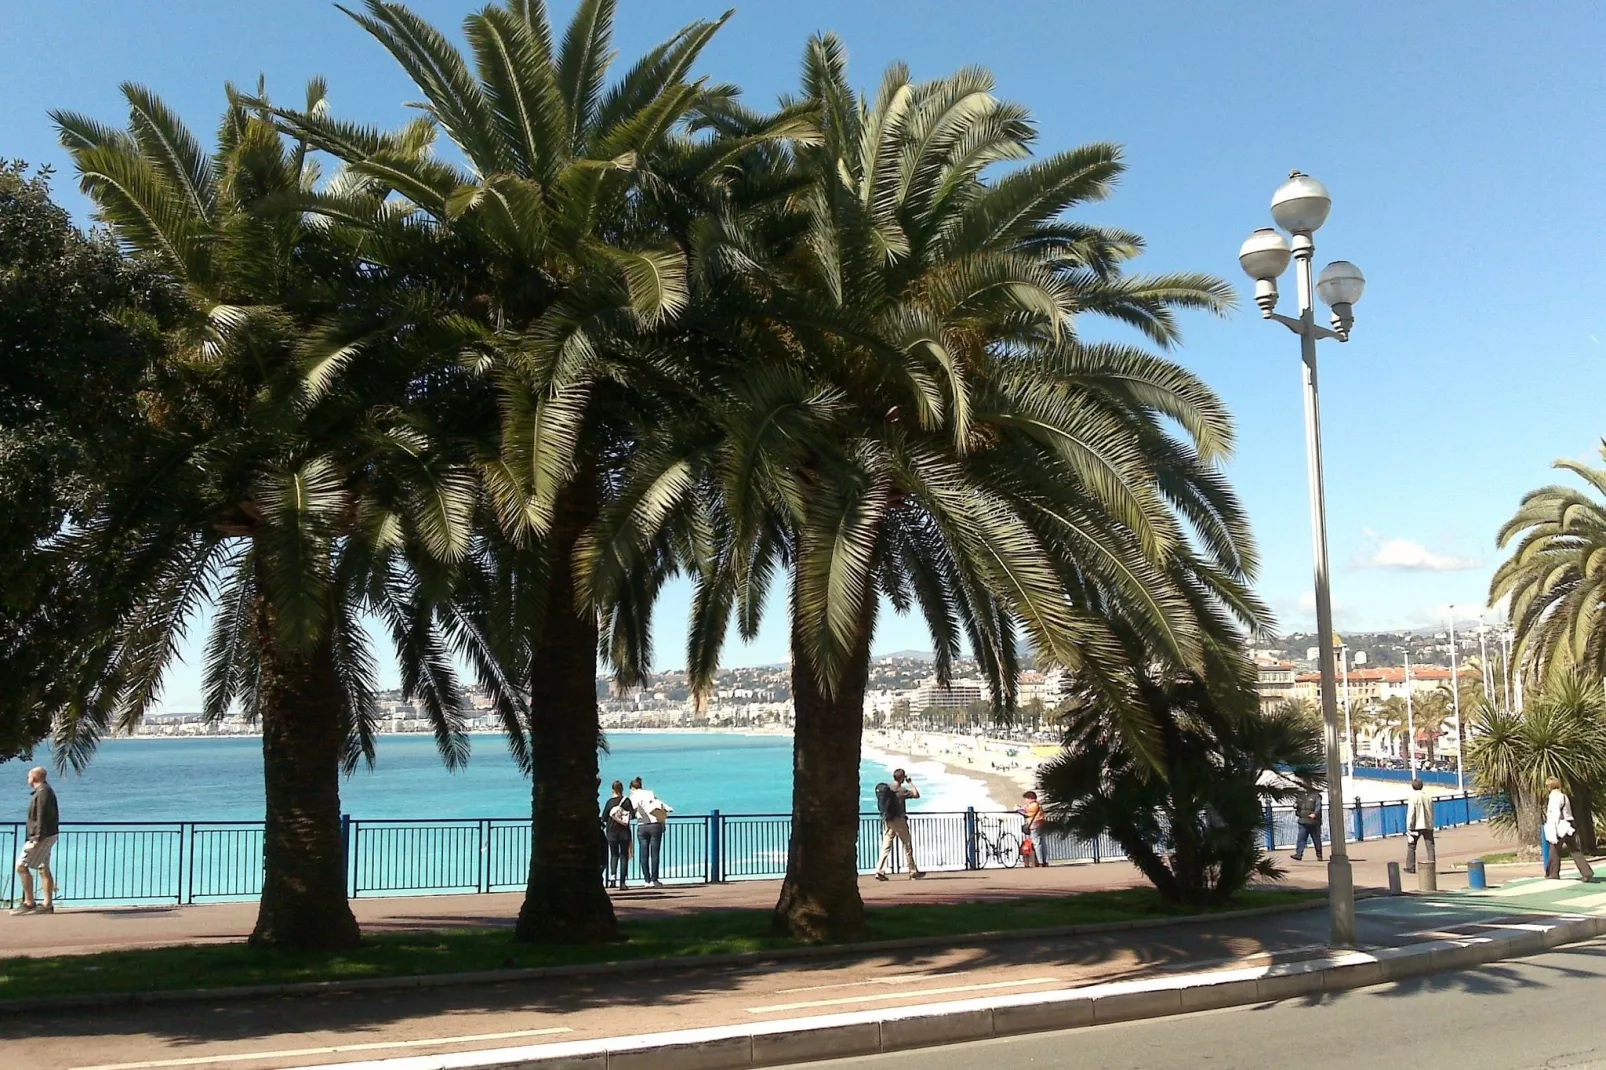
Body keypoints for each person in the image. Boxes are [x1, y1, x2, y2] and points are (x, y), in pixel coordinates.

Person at [13, 766, 59, 916]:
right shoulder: (44, 791)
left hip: (41, 836)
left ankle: (29, 902)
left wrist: (37, 838)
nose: (28, 779)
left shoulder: (43, 793)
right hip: (48, 834)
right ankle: (47, 904)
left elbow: (41, 816)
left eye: (28, 777)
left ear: (33, 778)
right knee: (42, 867)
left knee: (21, 866)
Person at [874, 768, 924, 880]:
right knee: (907, 845)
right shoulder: (901, 790)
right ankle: (912, 871)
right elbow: (916, 794)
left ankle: (880, 870)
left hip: (888, 820)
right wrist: (910, 782)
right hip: (899, 820)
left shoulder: (888, 788)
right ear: (902, 777)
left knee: (886, 846)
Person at [1544, 777, 1596, 882]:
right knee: (1575, 850)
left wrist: (1553, 831)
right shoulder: (1563, 796)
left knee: (1554, 850)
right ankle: (1586, 872)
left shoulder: (1554, 798)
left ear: (1549, 786)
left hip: (1560, 825)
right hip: (1569, 824)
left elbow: (1555, 814)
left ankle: (1553, 873)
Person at [629, 777, 672, 887]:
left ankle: (646, 880)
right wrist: (663, 823)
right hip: (655, 824)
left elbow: (632, 809)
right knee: (655, 853)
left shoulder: (633, 796)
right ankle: (655, 879)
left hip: (642, 826)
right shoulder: (650, 793)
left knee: (644, 854)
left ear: (632, 788)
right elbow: (658, 807)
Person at [601, 780, 634, 890]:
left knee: (614, 855)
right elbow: (632, 815)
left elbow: (604, 817)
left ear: (612, 790)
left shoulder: (609, 802)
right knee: (624, 856)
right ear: (622, 789)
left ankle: (612, 880)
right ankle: (623, 882)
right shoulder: (626, 801)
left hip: (612, 832)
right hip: (624, 832)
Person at [1404, 778, 1436, 874]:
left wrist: (1409, 827)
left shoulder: (1413, 797)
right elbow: (1432, 811)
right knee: (1430, 847)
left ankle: (1410, 867)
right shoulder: (1428, 796)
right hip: (1428, 824)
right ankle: (1431, 867)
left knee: (1411, 846)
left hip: (1416, 825)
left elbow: (1411, 814)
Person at [1290, 786, 1323, 862]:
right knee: (1301, 838)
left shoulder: (1316, 796)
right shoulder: (1300, 796)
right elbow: (1296, 804)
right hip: (1303, 820)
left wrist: (1315, 814)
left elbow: (1318, 806)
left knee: (1316, 839)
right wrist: (1295, 805)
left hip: (1313, 822)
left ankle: (1319, 855)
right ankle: (1299, 854)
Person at [1018, 791, 1048, 867]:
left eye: (1026, 799)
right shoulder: (1038, 805)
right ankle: (1045, 861)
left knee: (1036, 843)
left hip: (1034, 825)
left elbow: (1025, 812)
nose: (1025, 801)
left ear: (1030, 798)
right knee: (1042, 843)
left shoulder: (1033, 806)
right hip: (1041, 824)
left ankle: (1040, 861)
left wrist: (1017, 808)